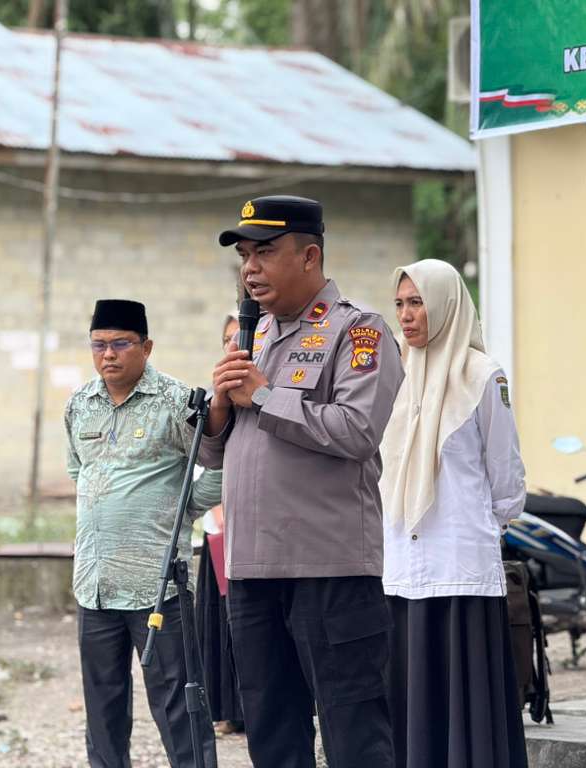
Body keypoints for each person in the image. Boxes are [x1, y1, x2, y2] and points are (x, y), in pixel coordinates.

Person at [198, 195, 404, 768]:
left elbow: (358, 429)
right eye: (244, 255)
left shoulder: (359, 331)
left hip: (330, 570)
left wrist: (262, 395)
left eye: (264, 252)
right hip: (253, 571)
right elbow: (224, 452)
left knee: (354, 732)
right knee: (272, 732)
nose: (250, 268)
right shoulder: (253, 334)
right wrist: (218, 412)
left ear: (309, 256)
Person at [380, 259, 529, 768]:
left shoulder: (483, 375)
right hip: (401, 566)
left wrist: (481, 524)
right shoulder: (395, 373)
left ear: (446, 303)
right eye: (400, 303)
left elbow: (506, 478)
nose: (406, 315)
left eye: (417, 301)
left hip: (460, 565)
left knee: (465, 703)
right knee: (411, 695)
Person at [64, 299, 219, 768]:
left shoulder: (176, 402)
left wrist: (179, 510)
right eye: (98, 345)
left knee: (178, 704)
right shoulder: (79, 404)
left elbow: (217, 466)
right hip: (94, 583)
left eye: (120, 344)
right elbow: (79, 471)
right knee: (103, 709)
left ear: (146, 347)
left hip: (157, 586)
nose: (108, 355)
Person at [194, 312, 246, 735]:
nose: (234, 345)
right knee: (223, 624)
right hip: (220, 527)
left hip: (260, 528)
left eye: (240, 337)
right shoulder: (216, 397)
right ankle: (228, 709)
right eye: (226, 338)